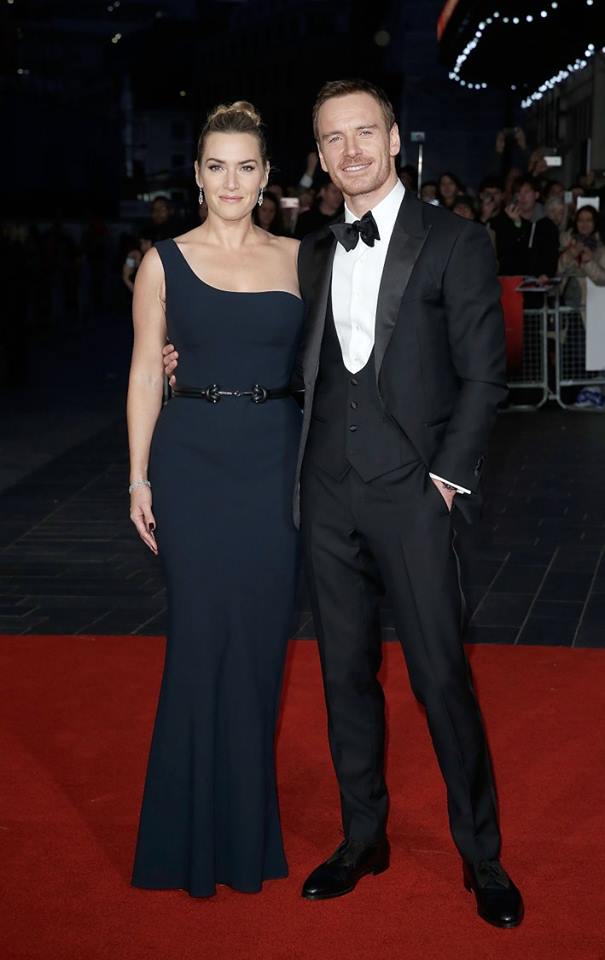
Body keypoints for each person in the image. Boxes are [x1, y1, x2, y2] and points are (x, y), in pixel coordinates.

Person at [163, 79, 523, 928]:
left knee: (440, 675)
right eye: (333, 138)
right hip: (324, 493)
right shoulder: (312, 253)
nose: (351, 150)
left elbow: (484, 376)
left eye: (365, 132)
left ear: (394, 139)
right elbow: (268, 346)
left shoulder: (456, 240)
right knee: (343, 675)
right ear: (320, 156)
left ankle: (481, 854)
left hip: (413, 494)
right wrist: (186, 361)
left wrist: (446, 481)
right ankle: (363, 837)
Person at [128, 100, 304, 898]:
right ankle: (184, 838)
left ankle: (244, 829)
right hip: (192, 461)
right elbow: (144, 371)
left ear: (266, 177)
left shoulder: (301, 258)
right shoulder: (162, 262)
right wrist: (138, 477)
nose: (230, 182)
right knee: (199, 640)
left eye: (246, 167)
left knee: (261, 645)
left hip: (275, 464)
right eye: (215, 166)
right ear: (197, 176)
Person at [491, 175, 559, 278]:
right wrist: (517, 225)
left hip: (538, 282)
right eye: (518, 193)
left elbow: (551, 257)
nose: (522, 197)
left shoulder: (547, 226)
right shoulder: (503, 221)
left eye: (527, 192)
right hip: (510, 281)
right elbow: (504, 255)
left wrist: (545, 275)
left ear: (536, 195)